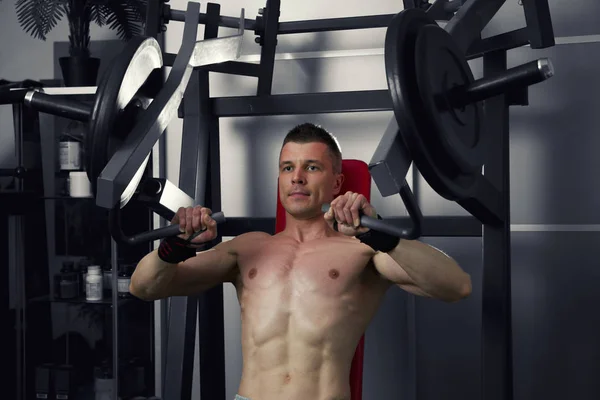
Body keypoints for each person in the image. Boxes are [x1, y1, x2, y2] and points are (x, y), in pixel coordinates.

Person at [130, 123, 472, 400]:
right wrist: (174, 246)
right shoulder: (248, 249)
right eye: (288, 168)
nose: (297, 177)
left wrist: (382, 236)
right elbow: (143, 287)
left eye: (312, 167)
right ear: (280, 179)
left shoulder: (363, 253)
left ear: (336, 182)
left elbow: (456, 286)